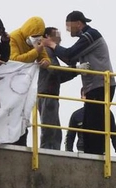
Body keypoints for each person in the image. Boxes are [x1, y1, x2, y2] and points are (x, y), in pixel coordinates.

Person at [44, 11, 116, 155]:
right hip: (94, 87)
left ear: (78, 23)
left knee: (94, 126)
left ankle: (96, 156)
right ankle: (92, 155)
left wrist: (51, 44)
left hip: (100, 85)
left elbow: (69, 54)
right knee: (89, 125)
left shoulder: (90, 35)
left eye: (68, 26)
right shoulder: (86, 38)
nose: (67, 30)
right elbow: (70, 59)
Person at [9, 16, 51, 146]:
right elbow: (14, 60)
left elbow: (45, 57)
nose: (37, 39)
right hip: (10, 83)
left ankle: (22, 141)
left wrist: (45, 62)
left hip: (25, 85)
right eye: (34, 36)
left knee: (24, 114)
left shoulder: (38, 43)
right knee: (11, 113)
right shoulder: (13, 38)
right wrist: (35, 52)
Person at [38, 27, 79, 150]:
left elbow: (58, 76)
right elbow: (55, 71)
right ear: (47, 37)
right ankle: (47, 151)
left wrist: (74, 71)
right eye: (56, 34)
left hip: (50, 93)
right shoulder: (46, 51)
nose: (59, 37)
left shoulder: (50, 52)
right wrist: (76, 70)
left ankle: (50, 150)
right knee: (50, 128)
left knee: (54, 129)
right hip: (47, 93)